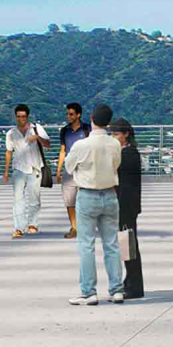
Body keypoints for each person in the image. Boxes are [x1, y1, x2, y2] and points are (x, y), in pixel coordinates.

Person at [66, 104, 124, 306]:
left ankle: (89, 292)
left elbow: (68, 166)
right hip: (110, 195)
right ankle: (117, 289)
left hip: (88, 195)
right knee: (112, 244)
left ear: (91, 118)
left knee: (86, 245)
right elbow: (116, 164)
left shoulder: (81, 145)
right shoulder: (115, 144)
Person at [2, 103, 49, 238]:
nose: (21, 119)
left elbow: (48, 144)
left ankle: (33, 224)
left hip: (34, 168)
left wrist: (38, 138)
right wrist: (6, 171)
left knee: (34, 198)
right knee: (18, 199)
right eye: (18, 116)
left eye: (23, 116)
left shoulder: (36, 129)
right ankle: (19, 227)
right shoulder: (11, 133)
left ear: (27, 116)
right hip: (18, 169)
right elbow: (9, 151)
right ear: (16, 117)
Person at [111, 118, 144, 300]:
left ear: (126, 134)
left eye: (116, 134)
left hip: (126, 205)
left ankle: (134, 285)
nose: (114, 137)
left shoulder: (129, 154)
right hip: (126, 205)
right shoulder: (126, 152)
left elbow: (125, 184)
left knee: (128, 245)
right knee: (127, 244)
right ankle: (130, 280)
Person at [54, 102, 90, 238]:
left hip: (84, 170)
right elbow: (63, 150)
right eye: (67, 114)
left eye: (71, 114)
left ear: (78, 115)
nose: (68, 116)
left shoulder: (87, 129)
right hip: (69, 170)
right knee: (69, 201)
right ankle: (74, 228)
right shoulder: (64, 131)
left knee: (85, 200)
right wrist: (58, 170)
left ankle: (85, 227)